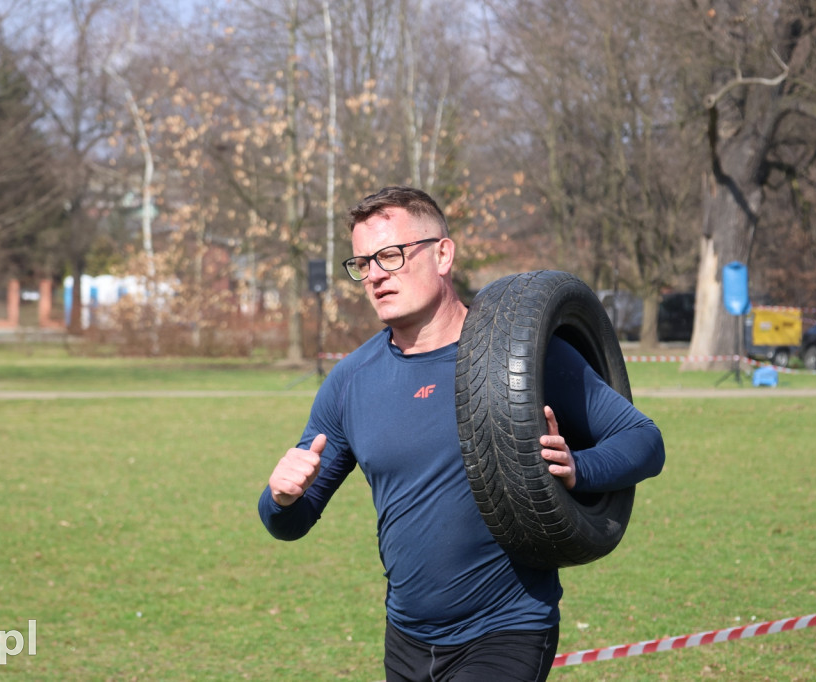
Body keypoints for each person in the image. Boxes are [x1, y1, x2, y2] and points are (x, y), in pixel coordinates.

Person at [257, 186, 665, 681]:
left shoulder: (520, 359)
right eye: (363, 263)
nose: (376, 275)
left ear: (443, 254)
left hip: (507, 628)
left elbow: (643, 440)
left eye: (391, 255)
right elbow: (291, 522)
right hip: (406, 636)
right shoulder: (350, 381)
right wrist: (279, 498)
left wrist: (578, 468)